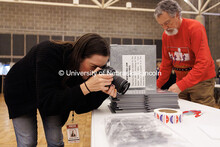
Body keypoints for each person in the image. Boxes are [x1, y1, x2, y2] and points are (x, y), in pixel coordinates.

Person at [3, 33, 117, 147]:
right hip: (21, 90)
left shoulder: (82, 71)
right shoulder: (49, 52)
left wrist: (101, 93)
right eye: (93, 66)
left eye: (101, 68)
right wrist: (86, 87)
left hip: (52, 96)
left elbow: (80, 107)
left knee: (55, 141)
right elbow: (47, 102)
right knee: (28, 142)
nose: (96, 72)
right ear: (79, 57)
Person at [154, 0, 216, 107]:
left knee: (203, 114)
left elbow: (203, 62)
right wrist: (156, 86)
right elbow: (166, 65)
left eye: (167, 23)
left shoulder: (194, 28)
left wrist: (181, 85)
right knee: (182, 112)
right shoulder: (166, 35)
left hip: (201, 82)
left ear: (177, 15)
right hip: (181, 80)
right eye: (161, 25)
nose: (165, 28)